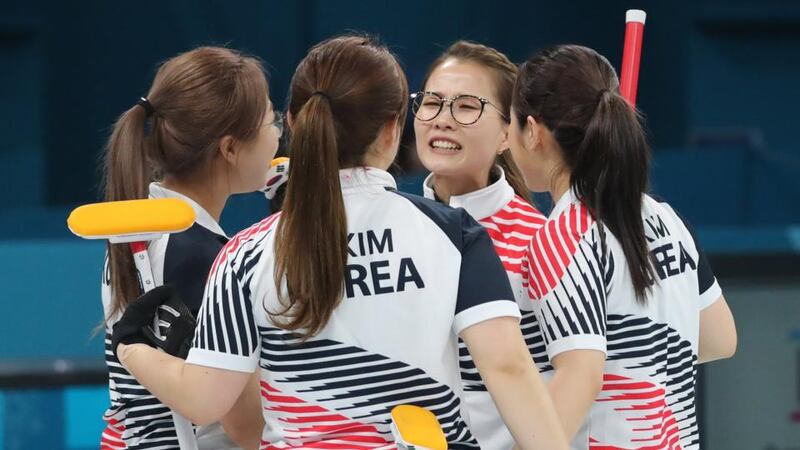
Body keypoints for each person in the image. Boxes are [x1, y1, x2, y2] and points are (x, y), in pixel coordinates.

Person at [111, 34, 568, 450]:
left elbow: (207, 400)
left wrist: (134, 347)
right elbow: (509, 368)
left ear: (294, 121)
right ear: (394, 129)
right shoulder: (456, 234)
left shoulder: (244, 255)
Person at [507, 44, 738, 449]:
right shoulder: (666, 218)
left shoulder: (559, 237)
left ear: (533, 132)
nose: (506, 139)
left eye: (509, 125)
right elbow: (719, 338)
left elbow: (581, 373)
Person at [100, 46, 280, 449]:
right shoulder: (201, 254)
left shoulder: (140, 227)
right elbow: (247, 428)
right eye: (273, 121)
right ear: (230, 148)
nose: (279, 135)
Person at [412, 40, 547, 449]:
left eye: (467, 107)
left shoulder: (542, 241)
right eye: (431, 102)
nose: (442, 120)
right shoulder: (396, 229)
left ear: (508, 132)